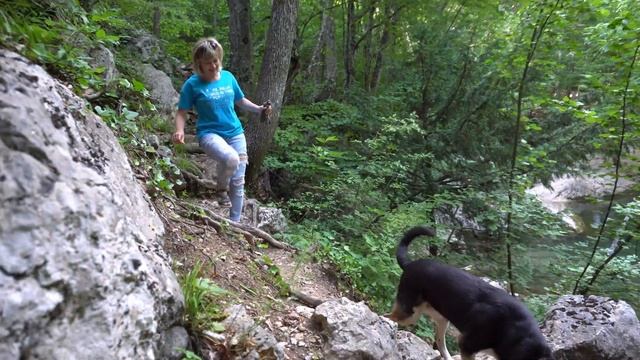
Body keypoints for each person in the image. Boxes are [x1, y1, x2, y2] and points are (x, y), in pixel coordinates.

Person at [172, 37, 271, 222]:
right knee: (230, 158)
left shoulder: (228, 77)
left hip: (235, 132)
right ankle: (220, 189)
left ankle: (235, 223)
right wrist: (180, 130)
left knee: (238, 181)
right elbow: (181, 112)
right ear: (199, 63)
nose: (213, 66)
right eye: (208, 63)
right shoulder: (192, 85)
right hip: (209, 134)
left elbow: (240, 101)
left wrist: (259, 110)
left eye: (215, 61)